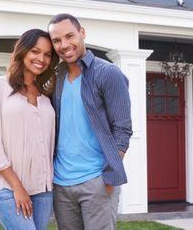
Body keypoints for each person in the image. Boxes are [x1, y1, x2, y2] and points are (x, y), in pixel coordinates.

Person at [47, 13, 132, 229]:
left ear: (82, 33)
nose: (64, 45)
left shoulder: (108, 73)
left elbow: (122, 130)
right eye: (56, 40)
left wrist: (110, 172)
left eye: (69, 36)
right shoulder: (56, 78)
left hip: (96, 180)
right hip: (61, 182)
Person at [0, 29, 59, 230]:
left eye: (47, 54)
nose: (41, 59)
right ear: (22, 51)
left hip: (43, 189)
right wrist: (18, 187)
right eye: (35, 51)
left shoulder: (47, 96)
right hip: (8, 187)